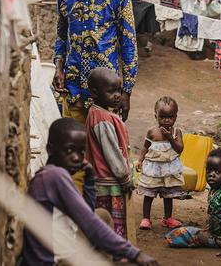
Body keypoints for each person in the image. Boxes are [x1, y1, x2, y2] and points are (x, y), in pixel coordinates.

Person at [21, 118, 158, 266]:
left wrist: (89, 180)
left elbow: (89, 210)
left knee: (102, 215)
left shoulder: (55, 174)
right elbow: (89, 223)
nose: (76, 158)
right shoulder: (54, 177)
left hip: (63, 248)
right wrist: (135, 253)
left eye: (81, 152)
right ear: (50, 150)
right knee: (99, 225)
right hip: (53, 261)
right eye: (69, 150)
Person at [52, 0, 137, 124]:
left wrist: (126, 92)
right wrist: (58, 67)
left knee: (102, 146)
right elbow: (61, 36)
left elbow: (128, 45)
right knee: (74, 145)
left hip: (105, 92)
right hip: (72, 87)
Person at [165, 148, 221, 260]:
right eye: (209, 170)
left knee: (183, 233)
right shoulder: (216, 189)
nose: (211, 175)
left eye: (217, 172)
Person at [84, 67, 134, 240]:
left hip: (101, 180)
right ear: (95, 93)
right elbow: (111, 151)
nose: (117, 95)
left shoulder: (95, 112)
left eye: (118, 90)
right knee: (112, 222)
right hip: (109, 181)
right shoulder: (103, 120)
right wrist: (124, 177)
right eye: (111, 91)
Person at [136, 96, 185, 230]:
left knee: (168, 195)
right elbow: (145, 147)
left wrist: (170, 138)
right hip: (153, 170)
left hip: (169, 171)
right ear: (155, 116)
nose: (167, 120)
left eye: (171, 117)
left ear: (176, 116)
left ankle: (167, 218)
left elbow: (179, 149)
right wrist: (140, 160)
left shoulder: (176, 132)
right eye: (162, 117)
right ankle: (146, 218)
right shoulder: (152, 132)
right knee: (149, 194)